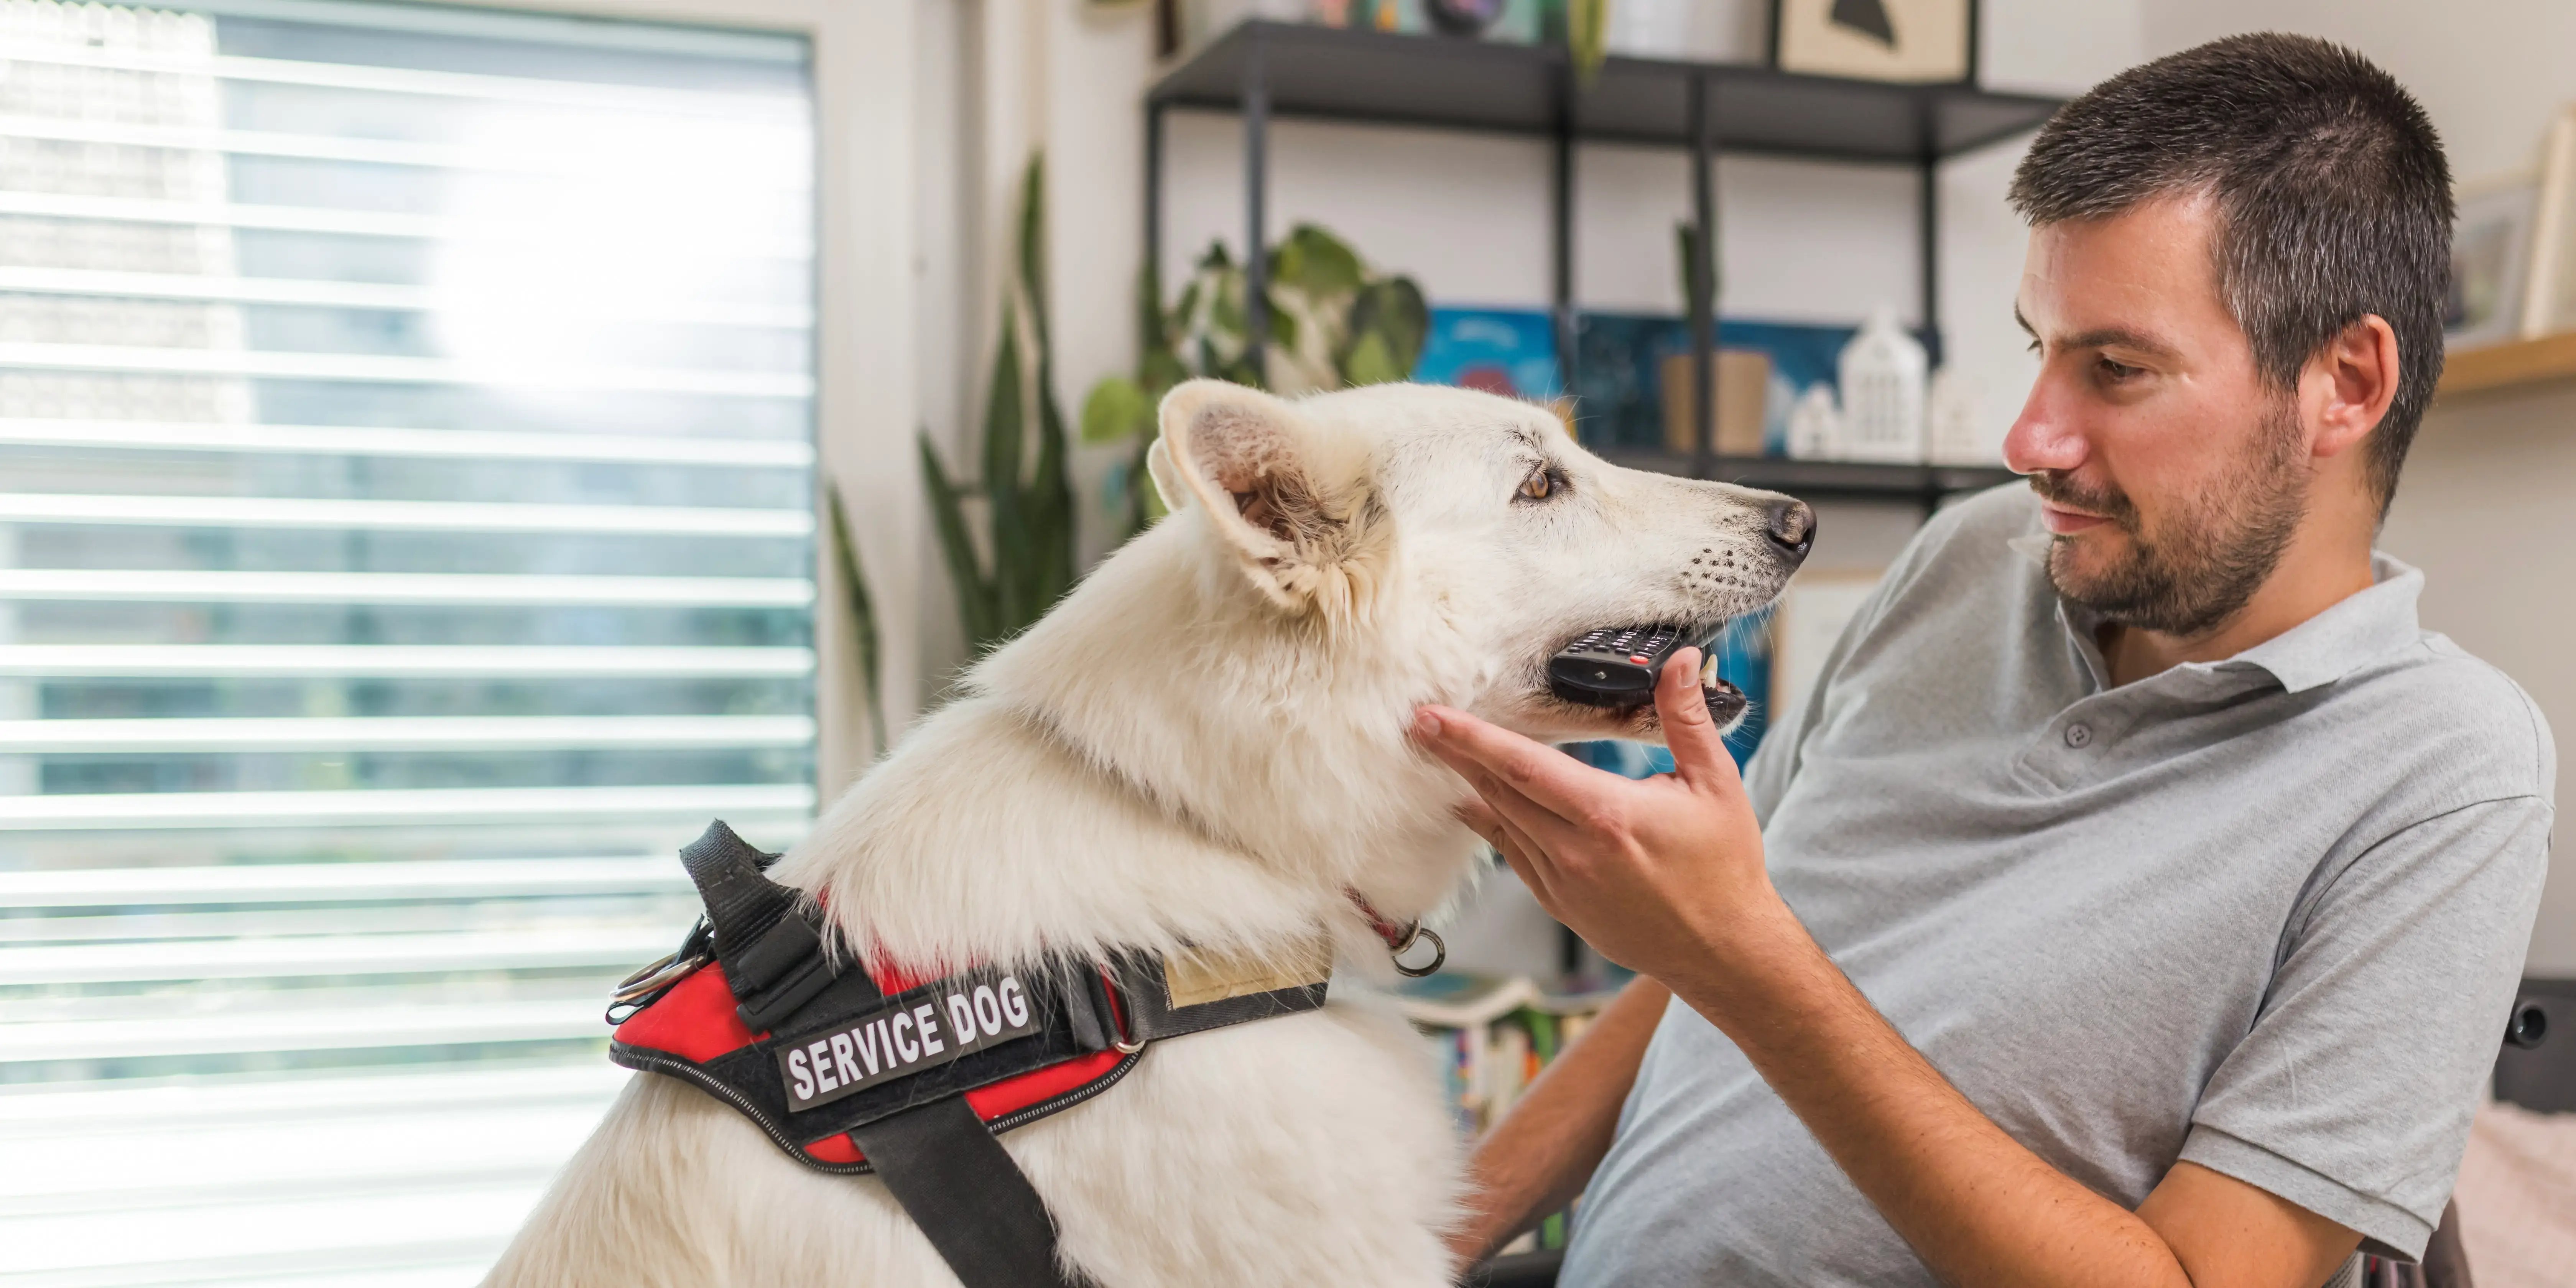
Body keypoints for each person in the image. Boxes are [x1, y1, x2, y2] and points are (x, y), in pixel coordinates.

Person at [1413, 33, 2553, 1288]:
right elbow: (1695, 963)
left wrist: (1745, 962)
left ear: (2345, 382)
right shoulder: (1972, 557)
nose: (2030, 438)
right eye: (2038, 350)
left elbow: (1737, 956)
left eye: (2116, 369)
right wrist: (1407, 1253)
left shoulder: (2445, 770)